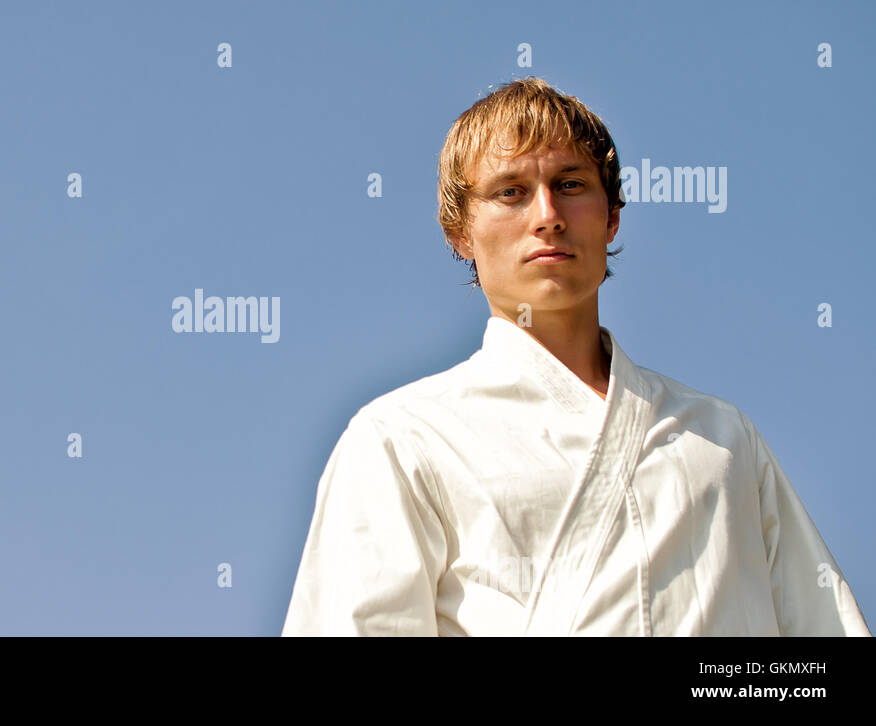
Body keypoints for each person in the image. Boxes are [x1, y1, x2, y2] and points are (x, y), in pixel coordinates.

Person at [281, 77, 870, 636]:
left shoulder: (720, 438)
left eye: (570, 184)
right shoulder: (402, 438)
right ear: (459, 231)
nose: (547, 217)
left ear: (611, 216)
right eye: (510, 192)